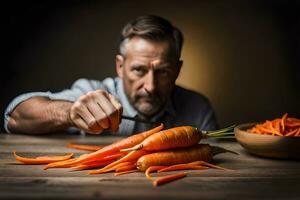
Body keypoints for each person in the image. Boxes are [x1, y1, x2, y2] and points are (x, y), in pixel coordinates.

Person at [4, 15, 218, 135]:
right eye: (139, 70)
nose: (150, 86)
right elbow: (15, 117)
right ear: (120, 66)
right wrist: (70, 113)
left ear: (178, 70)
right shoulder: (92, 92)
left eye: (163, 72)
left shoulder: (197, 109)